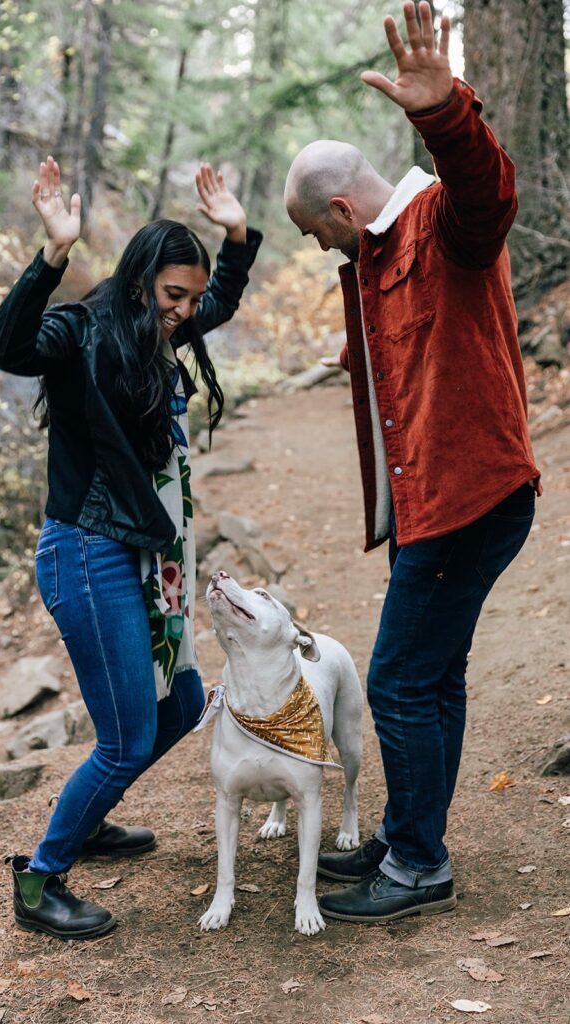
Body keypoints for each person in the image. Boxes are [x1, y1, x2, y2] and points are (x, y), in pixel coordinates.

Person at [284, 1, 540, 924]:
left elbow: (489, 193)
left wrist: (443, 114)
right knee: (432, 677)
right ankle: (407, 836)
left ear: (342, 209)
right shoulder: (376, 259)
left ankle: (421, 863)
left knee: (397, 678)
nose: (320, 248)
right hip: (426, 505)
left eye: (318, 233)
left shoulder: (439, 224)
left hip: (472, 496)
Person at [0, 156, 261, 939]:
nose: (185, 312)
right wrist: (53, 254)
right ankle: (40, 882)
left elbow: (221, 301)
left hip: (147, 555)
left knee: (176, 708)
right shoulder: (81, 330)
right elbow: (5, 347)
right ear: (140, 280)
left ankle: (89, 817)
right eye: (173, 295)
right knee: (126, 736)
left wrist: (235, 236)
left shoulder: (155, 329)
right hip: (86, 550)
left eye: (191, 298)